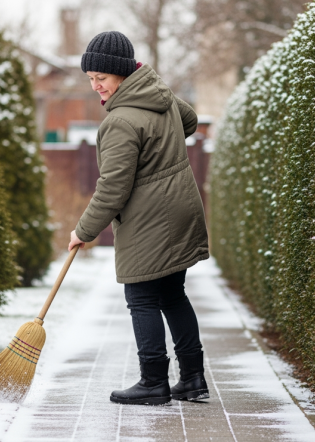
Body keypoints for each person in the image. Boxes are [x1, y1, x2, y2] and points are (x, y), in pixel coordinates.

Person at [67, 31, 210, 406]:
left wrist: (84, 230)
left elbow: (112, 188)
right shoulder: (159, 98)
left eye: (102, 78)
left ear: (122, 75)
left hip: (151, 218)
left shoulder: (120, 121)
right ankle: (193, 378)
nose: (96, 86)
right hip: (180, 208)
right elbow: (190, 121)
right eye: (91, 79)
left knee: (141, 296)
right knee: (172, 294)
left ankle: (153, 381)